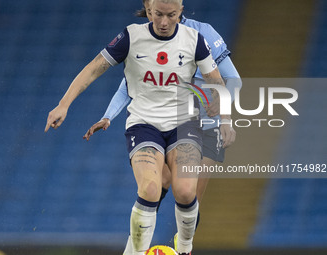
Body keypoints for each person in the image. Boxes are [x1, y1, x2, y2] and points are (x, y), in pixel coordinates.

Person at [45, 0, 233, 254]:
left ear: (181, 11)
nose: (164, 22)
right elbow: (95, 71)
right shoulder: (131, 37)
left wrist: (225, 119)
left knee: (187, 192)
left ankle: (185, 248)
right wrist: (64, 104)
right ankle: (134, 251)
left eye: (171, 15)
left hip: (186, 123)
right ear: (148, 9)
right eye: (157, 15)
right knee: (151, 188)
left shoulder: (196, 38)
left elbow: (219, 80)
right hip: (145, 124)